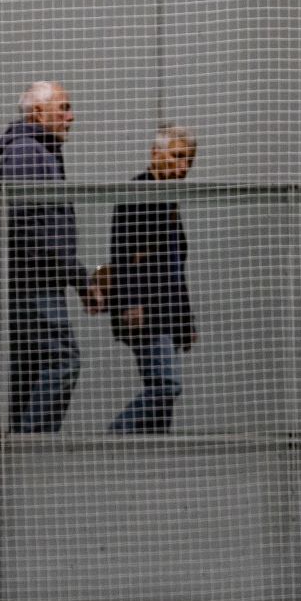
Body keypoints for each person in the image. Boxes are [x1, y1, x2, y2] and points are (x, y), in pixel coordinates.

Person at [0, 82, 103, 433]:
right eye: (64, 107)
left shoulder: (37, 150)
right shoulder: (27, 152)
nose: (71, 116)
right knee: (63, 361)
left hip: (30, 280)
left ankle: (23, 454)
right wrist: (80, 279)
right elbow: (31, 229)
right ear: (38, 112)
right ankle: (31, 446)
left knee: (31, 369)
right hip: (33, 282)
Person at [105, 126, 197, 435]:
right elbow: (123, 255)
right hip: (146, 312)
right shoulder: (139, 193)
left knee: (162, 411)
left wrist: (184, 321)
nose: (183, 168)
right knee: (166, 387)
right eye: (177, 157)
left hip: (164, 312)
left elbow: (172, 266)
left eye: (189, 162)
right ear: (155, 154)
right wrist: (130, 303)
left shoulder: (168, 200)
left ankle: (157, 467)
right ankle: (113, 435)